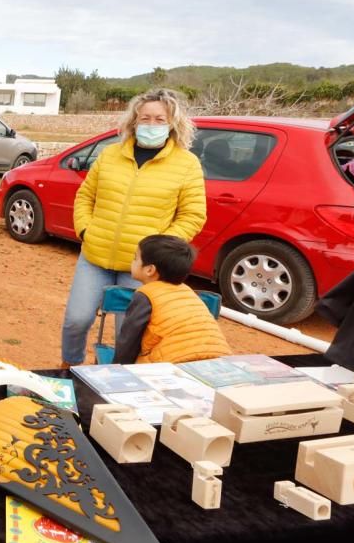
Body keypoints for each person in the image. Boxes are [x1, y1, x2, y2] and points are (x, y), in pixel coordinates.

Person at [61, 88, 207, 367]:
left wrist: (157, 252)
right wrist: (85, 231)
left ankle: (117, 378)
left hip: (143, 268)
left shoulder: (186, 164)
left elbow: (192, 215)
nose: (151, 125)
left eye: (159, 119)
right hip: (96, 256)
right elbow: (85, 196)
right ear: (134, 121)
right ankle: (68, 367)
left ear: (173, 123)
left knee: (127, 333)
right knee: (76, 320)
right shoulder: (110, 155)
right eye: (145, 118)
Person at [112, 235, 231, 364]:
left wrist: (117, 369)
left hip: (174, 365)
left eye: (135, 258)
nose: (133, 262)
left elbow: (129, 341)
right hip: (220, 360)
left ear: (150, 270)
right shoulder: (188, 291)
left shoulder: (146, 294)